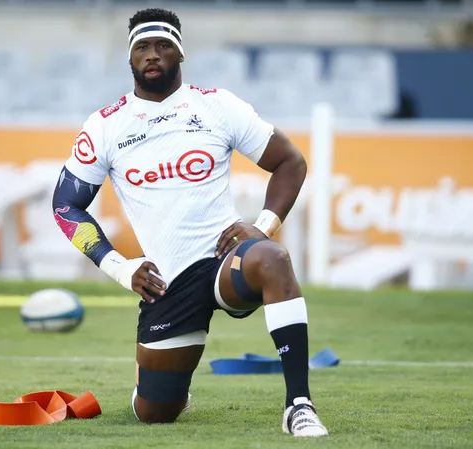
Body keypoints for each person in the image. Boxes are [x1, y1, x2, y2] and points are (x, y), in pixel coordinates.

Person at [51, 7, 328, 438]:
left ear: (180, 54)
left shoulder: (217, 105)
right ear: (130, 57)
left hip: (225, 259)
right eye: (143, 47)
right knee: (155, 413)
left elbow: (290, 161)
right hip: (167, 282)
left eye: (163, 45)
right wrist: (121, 268)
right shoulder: (105, 126)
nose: (153, 54)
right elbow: (66, 206)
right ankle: (163, 388)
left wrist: (263, 226)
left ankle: (299, 406)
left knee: (273, 258)